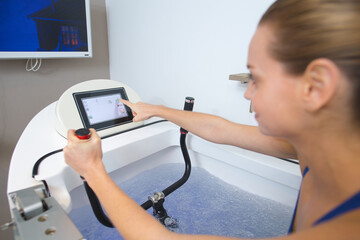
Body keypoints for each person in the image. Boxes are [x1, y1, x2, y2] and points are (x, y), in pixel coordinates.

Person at [63, 0, 360, 239]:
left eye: (255, 78)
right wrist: (156, 110)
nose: (247, 94)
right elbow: (221, 129)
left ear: (316, 86)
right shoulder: (315, 149)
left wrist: (92, 170)